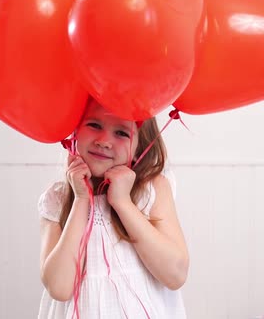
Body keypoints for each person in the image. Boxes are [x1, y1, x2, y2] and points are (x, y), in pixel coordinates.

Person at [37, 98, 189, 319]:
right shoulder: (57, 199)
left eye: (121, 133)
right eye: (94, 125)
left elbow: (175, 274)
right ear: (75, 130)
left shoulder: (151, 190)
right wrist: (81, 198)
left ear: (140, 148)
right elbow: (59, 288)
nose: (104, 140)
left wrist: (122, 202)